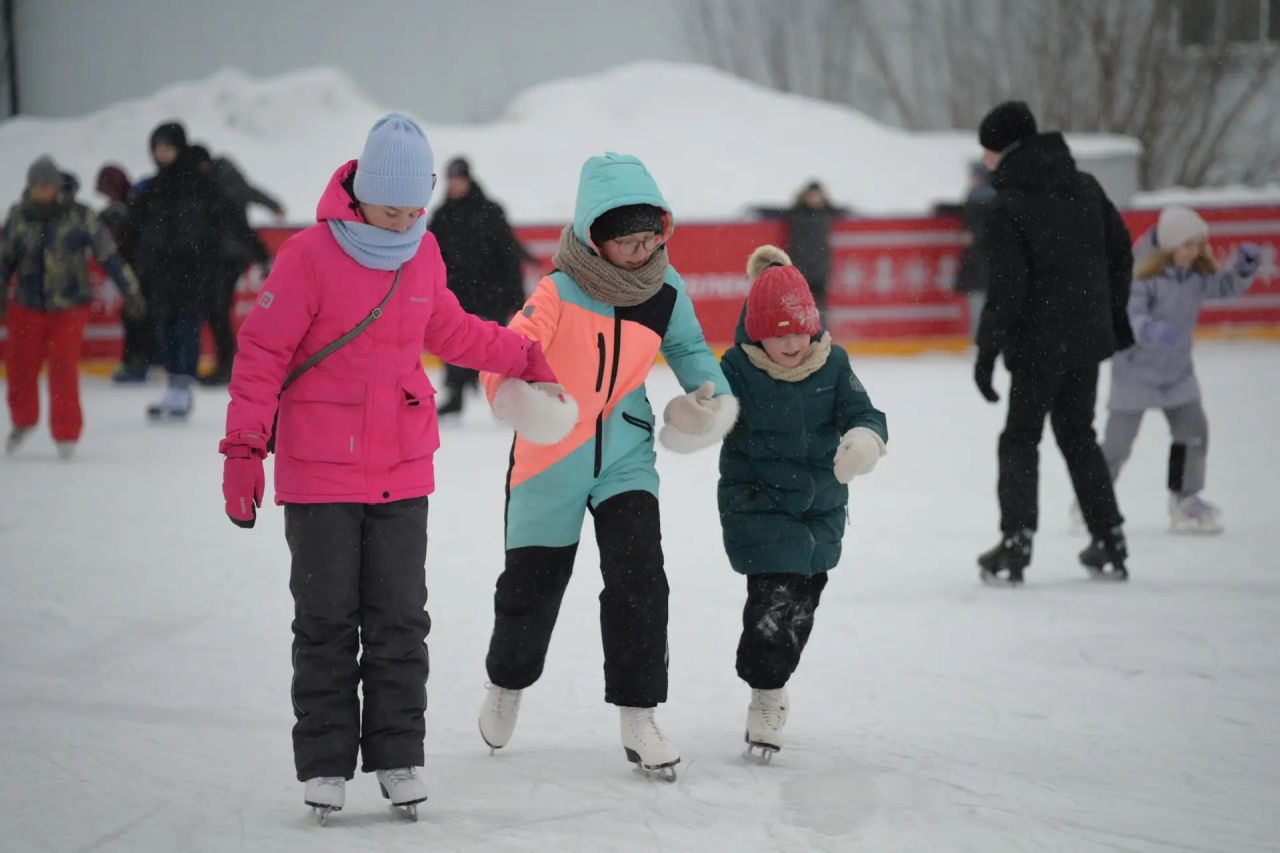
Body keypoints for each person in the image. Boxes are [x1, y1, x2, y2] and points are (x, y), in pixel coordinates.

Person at [218, 113, 572, 821]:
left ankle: (398, 754)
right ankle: (324, 764)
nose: (402, 222)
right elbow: (260, 356)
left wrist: (519, 354)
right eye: (390, 209)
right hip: (320, 472)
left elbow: (448, 327)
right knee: (325, 619)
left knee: (400, 620)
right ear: (359, 194)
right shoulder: (309, 257)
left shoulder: (424, 251)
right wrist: (243, 451)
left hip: (402, 467)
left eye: (415, 208)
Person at [476, 152, 737, 781]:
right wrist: (521, 399)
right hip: (549, 457)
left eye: (652, 239)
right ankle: (507, 683)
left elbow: (691, 349)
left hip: (625, 454)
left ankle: (639, 713)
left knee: (640, 579)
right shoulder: (559, 290)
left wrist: (709, 396)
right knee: (530, 591)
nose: (643, 252)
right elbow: (510, 352)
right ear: (597, 236)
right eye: (629, 241)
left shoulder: (665, 292)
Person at [718, 245, 887, 757]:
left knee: (801, 607)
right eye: (777, 333)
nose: (790, 344)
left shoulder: (832, 362)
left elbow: (866, 411)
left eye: (799, 332)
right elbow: (713, 411)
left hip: (822, 508)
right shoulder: (738, 368)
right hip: (760, 501)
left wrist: (864, 438)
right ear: (756, 331)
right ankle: (765, 695)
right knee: (773, 602)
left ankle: (771, 683)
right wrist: (696, 415)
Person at [972, 101, 1135, 585]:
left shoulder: (1008, 204)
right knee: (1078, 435)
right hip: (1084, 340)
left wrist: (986, 351)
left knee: (1021, 438)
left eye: (986, 150)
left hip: (1039, 343)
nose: (983, 160)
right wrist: (1106, 317)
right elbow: (1120, 255)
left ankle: (1017, 540)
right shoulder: (1085, 187)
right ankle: (1109, 535)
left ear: (1002, 149)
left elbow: (1008, 286)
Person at [1099, 206, 1262, 534]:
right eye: (1189, 245)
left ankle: (1184, 500)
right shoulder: (1141, 272)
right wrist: (1150, 331)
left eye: (1199, 244)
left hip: (1177, 373)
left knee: (1193, 433)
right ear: (1170, 245)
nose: (1195, 251)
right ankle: (1094, 499)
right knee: (1117, 446)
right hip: (1135, 371)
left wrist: (1242, 271)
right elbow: (1130, 315)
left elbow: (1223, 288)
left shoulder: (1195, 274)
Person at [2, 156, 145, 458]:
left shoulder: (79, 216)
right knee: (20, 367)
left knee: (63, 368)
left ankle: (66, 432)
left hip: (69, 305)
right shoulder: (19, 216)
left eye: (46, 185)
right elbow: (5, 259)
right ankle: (23, 420)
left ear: (56, 185)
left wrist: (130, 291)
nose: (41, 191)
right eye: (36, 186)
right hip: (27, 305)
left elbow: (108, 255)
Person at [128, 121, 237, 419]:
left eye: (167, 147)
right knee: (165, 329)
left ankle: (182, 390)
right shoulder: (154, 187)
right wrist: (144, 263)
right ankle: (174, 388)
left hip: (192, 272)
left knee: (186, 328)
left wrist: (206, 263)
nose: (162, 153)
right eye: (157, 148)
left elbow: (219, 225)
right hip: (162, 274)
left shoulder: (199, 183)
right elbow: (139, 229)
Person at [428, 156, 529, 416]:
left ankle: (504, 400)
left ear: (469, 179)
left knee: (496, 349)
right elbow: (429, 258)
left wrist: (515, 297)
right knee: (452, 345)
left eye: (459, 179)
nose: (456, 185)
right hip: (456, 296)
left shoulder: (490, 211)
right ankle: (456, 394)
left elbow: (509, 254)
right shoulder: (442, 216)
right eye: (452, 180)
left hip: (490, 295)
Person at [188, 144, 276, 386]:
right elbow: (249, 195)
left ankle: (228, 365)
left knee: (217, 309)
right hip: (226, 254)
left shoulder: (221, 181)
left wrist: (261, 253)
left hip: (229, 256)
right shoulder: (218, 180)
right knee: (216, 309)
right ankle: (227, 364)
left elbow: (239, 212)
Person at [96, 164, 157, 384]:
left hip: (142, 271)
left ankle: (138, 364)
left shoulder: (134, 204)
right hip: (138, 270)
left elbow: (132, 240)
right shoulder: (124, 205)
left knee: (137, 318)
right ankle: (139, 362)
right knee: (136, 317)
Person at [756, 181, 849, 322]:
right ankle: (802, 338)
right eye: (811, 196)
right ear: (804, 197)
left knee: (820, 311)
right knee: (797, 310)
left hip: (820, 271)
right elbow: (774, 211)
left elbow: (845, 211)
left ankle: (821, 338)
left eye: (818, 196)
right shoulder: (796, 213)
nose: (814, 199)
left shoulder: (826, 213)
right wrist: (757, 209)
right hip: (799, 270)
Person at [935, 162, 997, 340]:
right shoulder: (975, 195)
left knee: (982, 297)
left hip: (985, 256)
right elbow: (965, 210)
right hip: (976, 257)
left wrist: (975, 237)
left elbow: (992, 225)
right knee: (978, 297)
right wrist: (944, 208)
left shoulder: (990, 197)